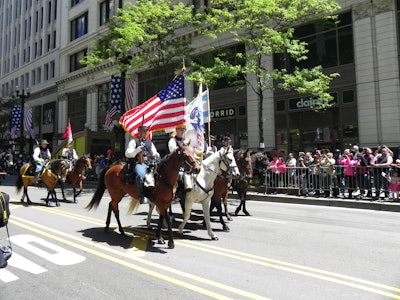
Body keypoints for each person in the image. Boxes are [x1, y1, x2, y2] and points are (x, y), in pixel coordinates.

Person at [125, 125, 160, 204]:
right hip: (139, 163)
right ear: (139, 132)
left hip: (149, 163)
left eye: (146, 131)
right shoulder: (134, 141)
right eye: (143, 131)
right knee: (141, 175)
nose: (145, 132)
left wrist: (156, 155)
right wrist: (137, 150)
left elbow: (154, 152)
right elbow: (127, 154)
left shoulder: (149, 143)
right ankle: (142, 195)